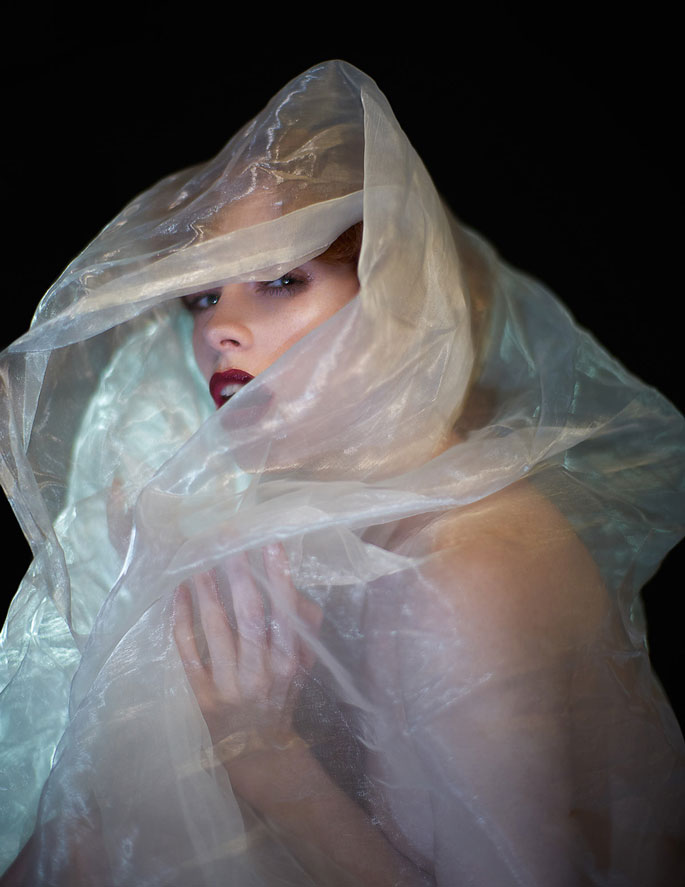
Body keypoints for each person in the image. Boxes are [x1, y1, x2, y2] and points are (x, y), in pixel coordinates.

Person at [1, 60, 683, 885]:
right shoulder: (334, 528)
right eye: (202, 297)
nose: (219, 330)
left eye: (281, 280)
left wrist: (263, 754)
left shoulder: (468, 567)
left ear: (399, 296)